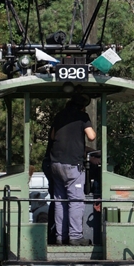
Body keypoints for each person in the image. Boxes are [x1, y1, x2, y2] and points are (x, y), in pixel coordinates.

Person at [49, 92, 96, 245]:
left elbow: (52, 136)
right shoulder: (82, 116)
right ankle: (75, 236)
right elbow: (91, 136)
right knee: (75, 201)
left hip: (56, 164)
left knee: (60, 201)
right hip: (72, 165)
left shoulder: (59, 115)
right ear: (83, 106)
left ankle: (60, 236)